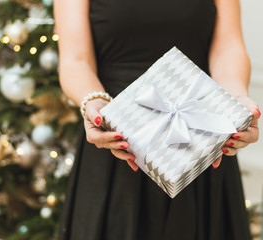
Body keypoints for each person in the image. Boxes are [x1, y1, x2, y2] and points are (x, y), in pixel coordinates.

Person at [54, 0, 260, 239]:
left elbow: (228, 47)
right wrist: (94, 103)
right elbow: (75, 60)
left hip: (200, 141)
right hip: (116, 142)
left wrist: (235, 100)